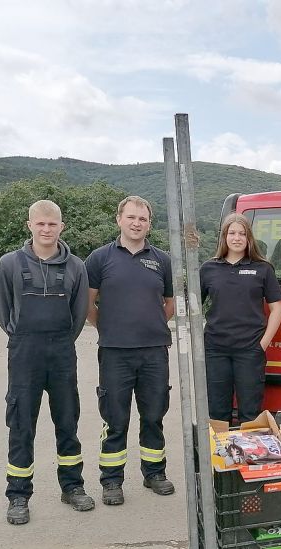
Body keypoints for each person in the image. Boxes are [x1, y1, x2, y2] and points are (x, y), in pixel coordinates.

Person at [0, 199, 94, 525]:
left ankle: (72, 487)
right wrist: (22, 335)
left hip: (62, 351)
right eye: (41, 224)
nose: (47, 229)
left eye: (52, 224)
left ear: (61, 227)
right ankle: (18, 495)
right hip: (25, 352)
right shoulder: (9, 264)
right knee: (21, 424)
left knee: (68, 421)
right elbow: (1, 308)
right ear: (30, 226)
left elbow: (79, 315)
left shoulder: (76, 267)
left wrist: (61, 339)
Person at [85, 195, 175, 506]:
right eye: (131, 217)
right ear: (119, 219)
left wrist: (148, 325)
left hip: (154, 352)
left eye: (143, 219)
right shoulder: (99, 258)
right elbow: (88, 303)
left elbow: (169, 305)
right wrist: (108, 328)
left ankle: (154, 474)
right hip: (114, 352)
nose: (137, 223)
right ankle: (111, 481)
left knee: (153, 416)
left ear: (150, 223)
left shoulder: (162, 260)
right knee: (115, 418)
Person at [200, 213, 281, 423]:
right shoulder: (208, 268)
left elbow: (277, 309)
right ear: (224, 237)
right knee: (217, 413)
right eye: (232, 233)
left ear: (249, 238)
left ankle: (249, 456)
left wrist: (262, 345)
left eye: (242, 233)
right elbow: (193, 308)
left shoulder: (263, 269)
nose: (237, 238)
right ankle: (219, 455)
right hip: (215, 350)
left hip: (250, 351)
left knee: (250, 413)